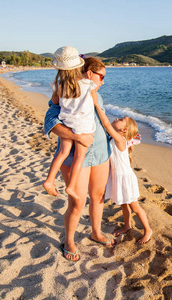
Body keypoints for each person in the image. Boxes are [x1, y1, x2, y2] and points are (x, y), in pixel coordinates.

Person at [44, 56, 113, 261]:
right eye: (101, 76)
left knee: (98, 195)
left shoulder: (96, 95)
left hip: (101, 152)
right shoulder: (65, 91)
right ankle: (70, 241)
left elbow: (102, 121)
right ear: (89, 73)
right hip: (75, 154)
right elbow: (51, 121)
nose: (103, 81)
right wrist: (77, 137)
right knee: (77, 202)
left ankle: (96, 232)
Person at [93, 99, 153, 244]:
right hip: (118, 177)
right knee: (124, 204)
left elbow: (106, 124)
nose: (117, 118)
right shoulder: (118, 139)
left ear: (124, 130)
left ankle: (148, 230)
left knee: (134, 206)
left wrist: (96, 104)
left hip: (125, 178)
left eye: (121, 119)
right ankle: (127, 225)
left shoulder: (120, 140)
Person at [43, 46, 96, 202]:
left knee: (62, 152)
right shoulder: (87, 83)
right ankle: (71, 185)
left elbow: (54, 102)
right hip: (84, 125)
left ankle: (49, 179)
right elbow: (93, 101)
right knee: (79, 157)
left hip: (67, 121)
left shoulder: (58, 85)